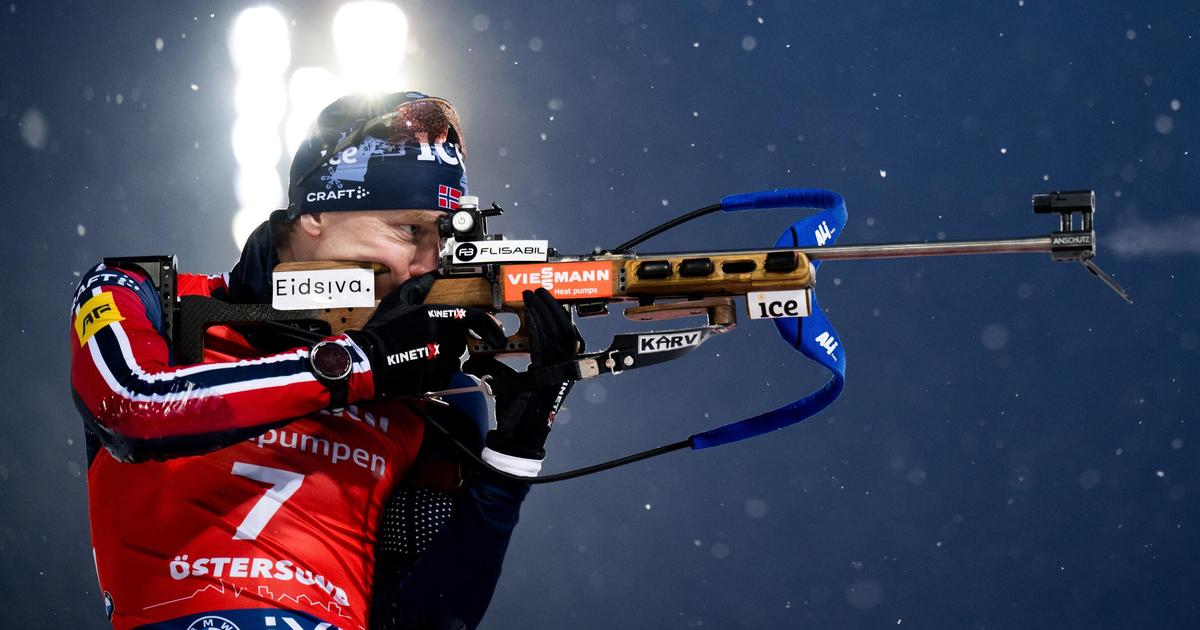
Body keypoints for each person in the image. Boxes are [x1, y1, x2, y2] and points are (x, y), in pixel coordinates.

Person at [70, 92, 578, 630]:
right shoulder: (142, 293)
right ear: (316, 211)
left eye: (442, 239)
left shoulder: (426, 389)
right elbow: (131, 405)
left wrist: (511, 462)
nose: (426, 266)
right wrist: (358, 364)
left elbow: (423, 622)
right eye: (410, 231)